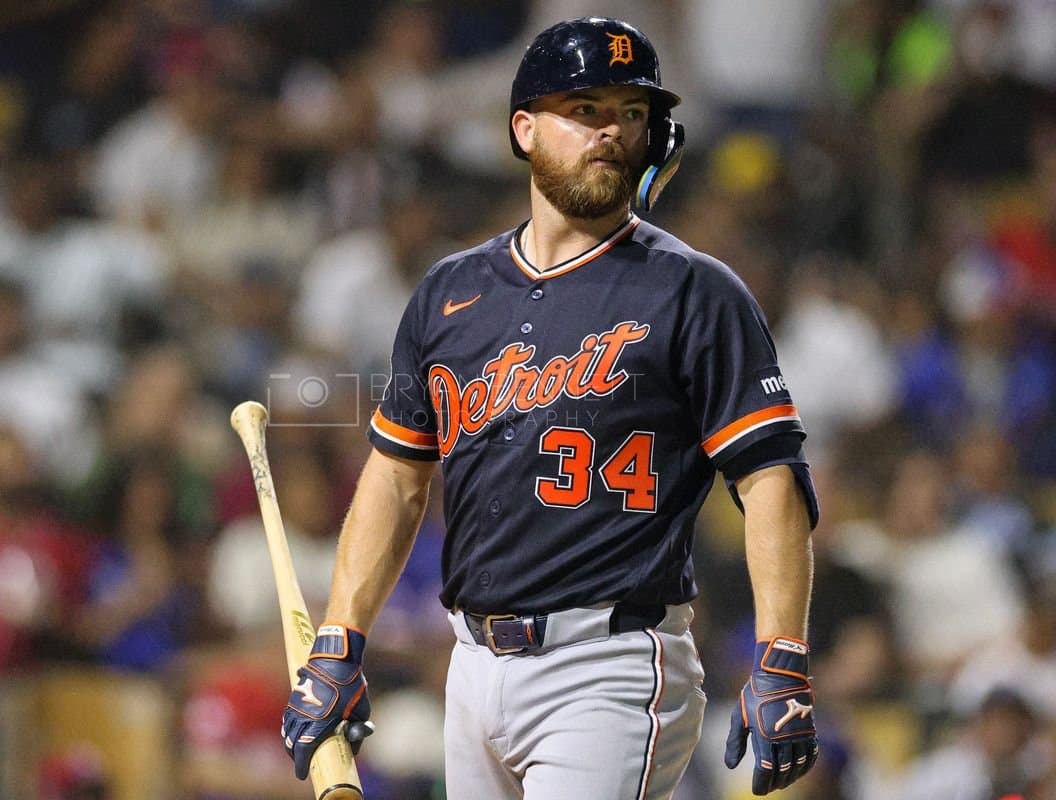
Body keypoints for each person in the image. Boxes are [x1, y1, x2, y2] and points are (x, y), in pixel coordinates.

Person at [281, 17, 820, 799]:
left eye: (630, 113)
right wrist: (340, 636)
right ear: (524, 129)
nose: (610, 132)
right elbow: (396, 479)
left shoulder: (694, 291)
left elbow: (770, 479)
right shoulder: (448, 293)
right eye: (585, 110)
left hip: (610, 662)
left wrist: (781, 656)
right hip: (470, 665)